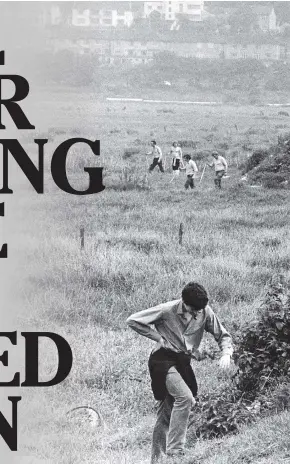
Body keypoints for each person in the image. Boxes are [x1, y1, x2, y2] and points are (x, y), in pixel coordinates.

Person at [126, 282, 233, 463]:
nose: (196, 314)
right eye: (193, 310)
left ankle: (157, 460)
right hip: (162, 360)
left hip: (182, 362)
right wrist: (158, 337)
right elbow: (132, 320)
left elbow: (223, 335)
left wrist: (226, 355)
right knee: (185, 398)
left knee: (166, 412)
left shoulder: (205, 311)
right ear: (184, 303)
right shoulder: (167, 310)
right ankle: (176, 452)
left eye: (199, 311)